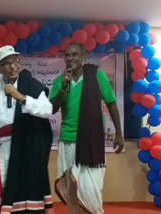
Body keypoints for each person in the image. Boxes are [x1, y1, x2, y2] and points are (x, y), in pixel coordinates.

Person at [0, 45, 54, 214]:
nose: (13, 66)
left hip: (25, 146)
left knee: (24, 186)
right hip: (1, 147)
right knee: (1, 186)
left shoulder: (31, 84)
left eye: (15, 61)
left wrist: (21, 97)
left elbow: (47, 110)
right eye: (7, 63)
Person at [50, 42, 124, 214]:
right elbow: (52, 108)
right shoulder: (59, 81)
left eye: (75, 54)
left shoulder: (97, 76)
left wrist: (119, 134)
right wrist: (62, 87)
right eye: (67, 55)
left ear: (83, 57)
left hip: (91, 142)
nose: (70, 58)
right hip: (67, 141)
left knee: (91, 189)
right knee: (70, 190)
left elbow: (112, 104)